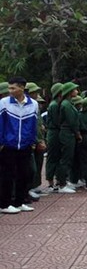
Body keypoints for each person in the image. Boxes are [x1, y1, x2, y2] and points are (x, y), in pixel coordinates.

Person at [0, 76, 39, 214]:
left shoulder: (33, 104)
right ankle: (5, 204)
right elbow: (1, 123)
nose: (10, 90)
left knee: (25, 174)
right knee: (7, 175)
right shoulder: (4, 103)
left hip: (25, 145)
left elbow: (34, 124)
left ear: (22, 88)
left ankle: (20, 201)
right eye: (9, 88)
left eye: (13, 88)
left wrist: (33, 141)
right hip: (8, 145)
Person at [56, 81, 81, 193]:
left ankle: (64, 181)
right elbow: (72, 122)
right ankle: (62, 184)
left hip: (68, 133)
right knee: (65, 158)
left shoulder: (68, 103)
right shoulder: (66, 104)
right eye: (75, 89)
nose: (77, 91)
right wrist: (77, 133)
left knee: (68, 158)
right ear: (70, 92)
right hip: (67, 133)